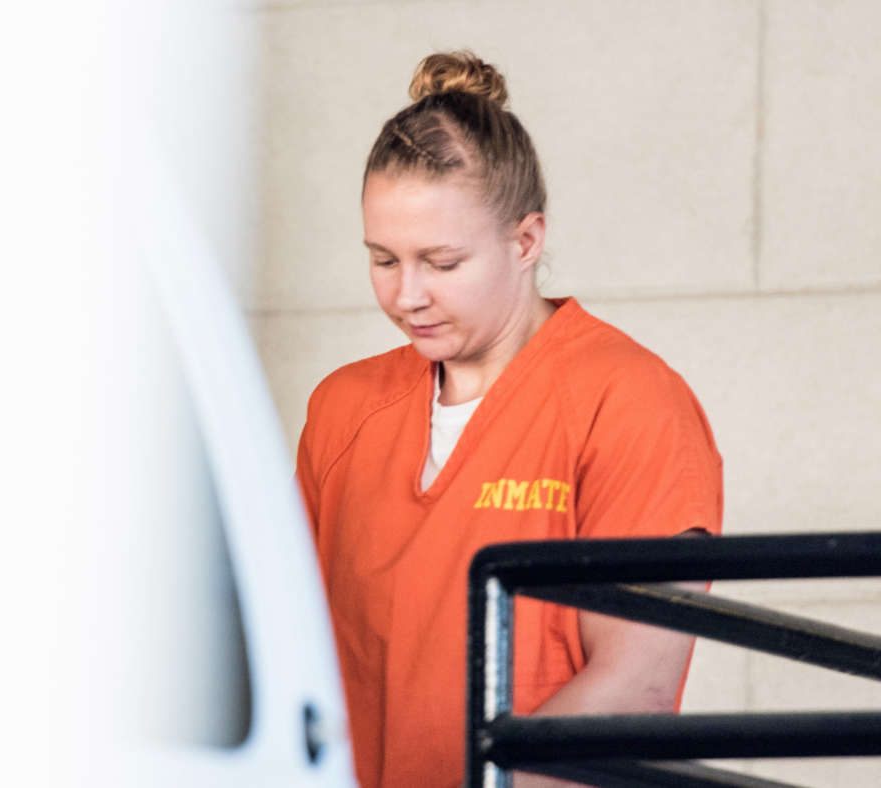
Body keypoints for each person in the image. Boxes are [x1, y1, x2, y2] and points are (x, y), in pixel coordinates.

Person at [294, 51, 723, 788]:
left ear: (525, 241)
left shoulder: (630, 402)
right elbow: (280, 653)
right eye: (384, 260)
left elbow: (636, 689)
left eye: (442, 261)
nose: (408, 296)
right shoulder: (341, 411)